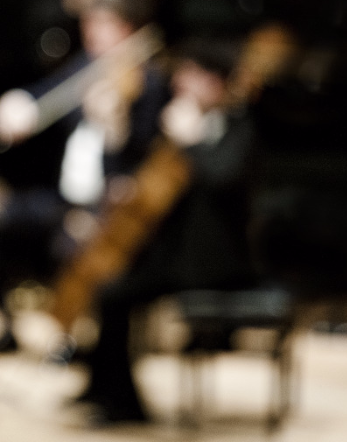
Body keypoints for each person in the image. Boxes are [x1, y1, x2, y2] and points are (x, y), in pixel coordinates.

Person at [0, 0, 170, 354]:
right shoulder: (85, 67)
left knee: (75, 245)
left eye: (101, 26)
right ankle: (3, 325)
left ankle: (71, 341)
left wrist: (115, 124)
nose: (90, 34)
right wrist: (17, 103)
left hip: (110, 206)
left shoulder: (147, 80)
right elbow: (44, 94)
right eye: (88, 25)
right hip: (64, 198)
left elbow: (142, 154)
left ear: (127, 29)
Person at [73, 37, 259, 424]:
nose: (181, 85)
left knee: (116, 294)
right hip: (173, 255)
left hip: (213, 262)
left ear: (216, 83)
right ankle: (104, 390)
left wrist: (189, 144)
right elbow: (150, 175)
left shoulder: (240, 128)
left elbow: (221, 179)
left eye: (192, 76)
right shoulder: (178, 123)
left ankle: (121, 403)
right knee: (107, 284)